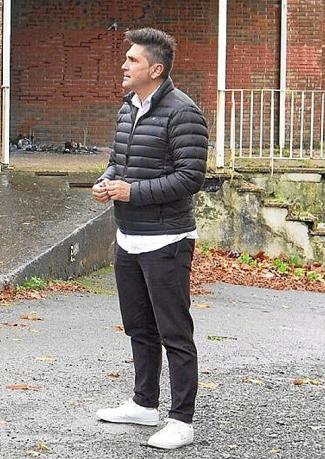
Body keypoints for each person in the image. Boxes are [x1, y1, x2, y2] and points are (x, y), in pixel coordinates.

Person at [92, 28, 208, 450]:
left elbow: (190, 178)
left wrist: (131, 192)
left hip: (167, 239)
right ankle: (144, 404)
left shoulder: (183, 112)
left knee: (174, 331)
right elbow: (118, 162)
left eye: (133, 61)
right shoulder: (128, 109)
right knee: (139, 326)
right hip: (129, 236)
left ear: (156, 69)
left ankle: (182, 420)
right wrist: (108, 182)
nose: (124, 65)